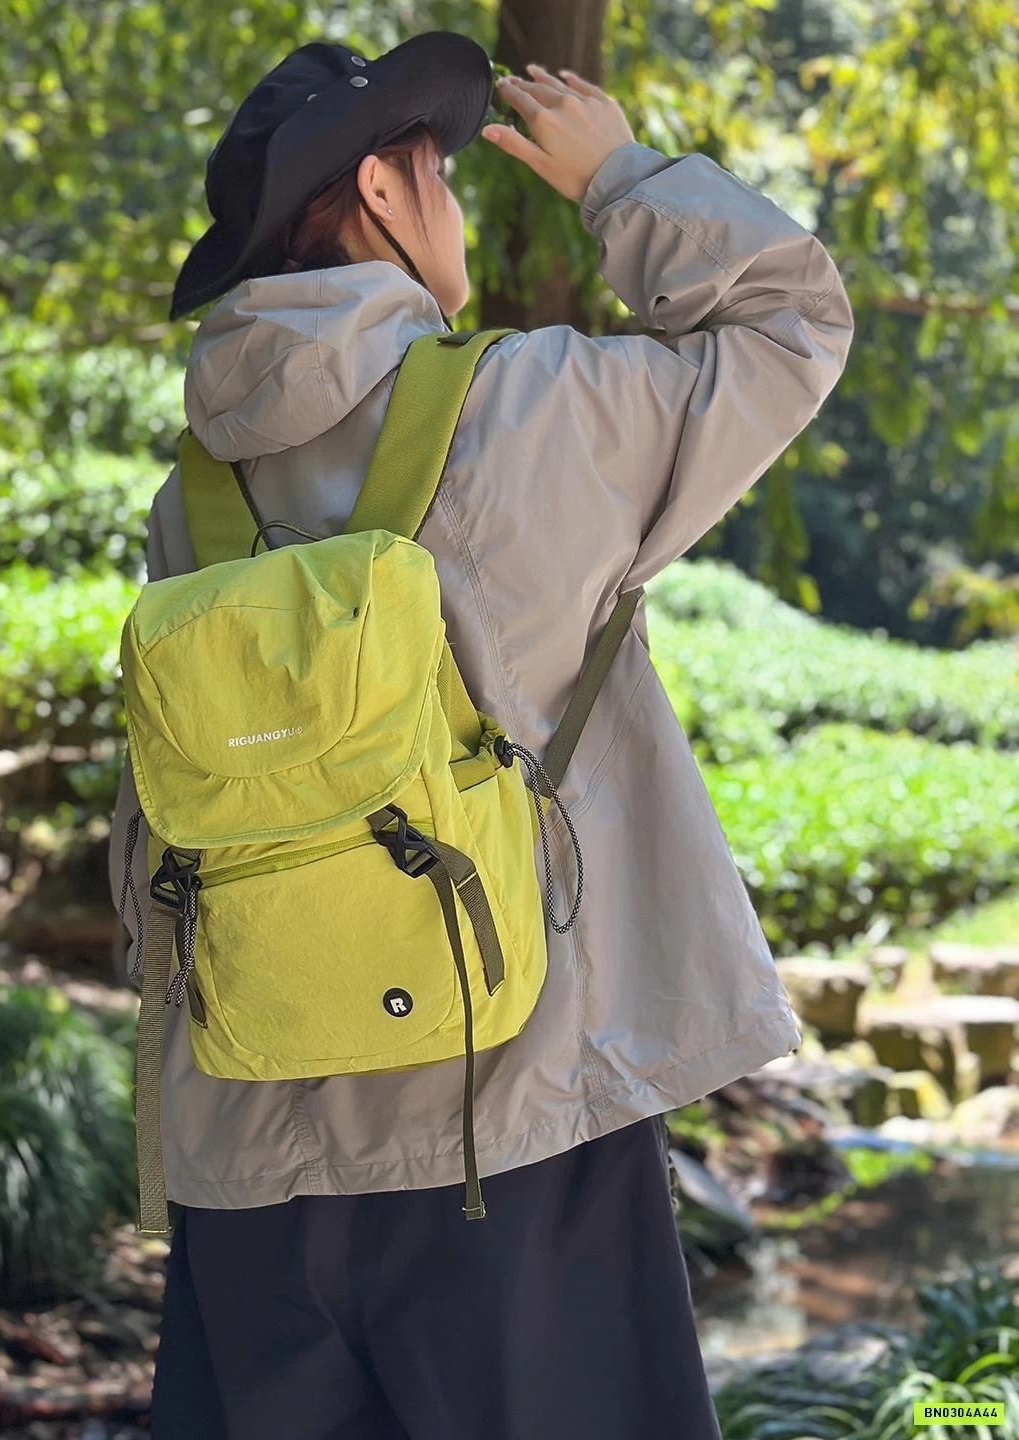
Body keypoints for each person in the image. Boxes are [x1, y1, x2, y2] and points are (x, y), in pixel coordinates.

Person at [107, 29, 854, 1440]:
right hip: (510, 1122)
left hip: (249, 1149)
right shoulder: (532, 407)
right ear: (382, 191)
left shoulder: (190, 496)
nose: (449, 205)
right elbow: (790, 325)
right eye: (436, 175)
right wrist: (624, 177)